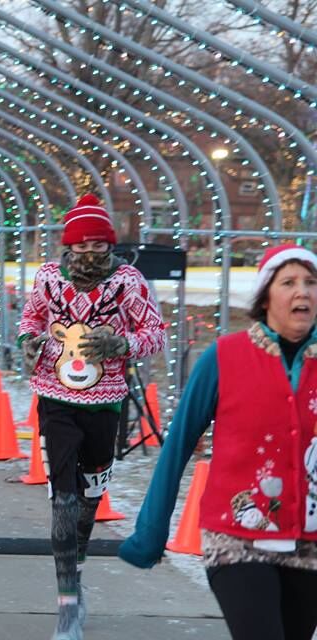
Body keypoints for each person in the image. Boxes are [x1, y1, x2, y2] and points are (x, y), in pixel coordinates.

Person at [119, 243, 317, 640]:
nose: (304, 292)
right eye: (289, 282)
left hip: (310, 541)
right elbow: (176, 449)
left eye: (311, 282)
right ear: (265, 297)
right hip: (236, 536)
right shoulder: (224, 357)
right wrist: (151, 534)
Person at [16, 194, 166, 640]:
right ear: (69, 245)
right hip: (54, 395)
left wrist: (122, 345)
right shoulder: (48, 278)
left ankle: (76, 568)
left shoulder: (129, 282)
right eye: (82, 245)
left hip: (106, 402)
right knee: (62, 497)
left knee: (88, 497)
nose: (90, 253)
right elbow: (31, 317)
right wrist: (29, 341)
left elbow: (154, 333)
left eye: (99, 245)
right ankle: (66, 602)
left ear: (109, 246)